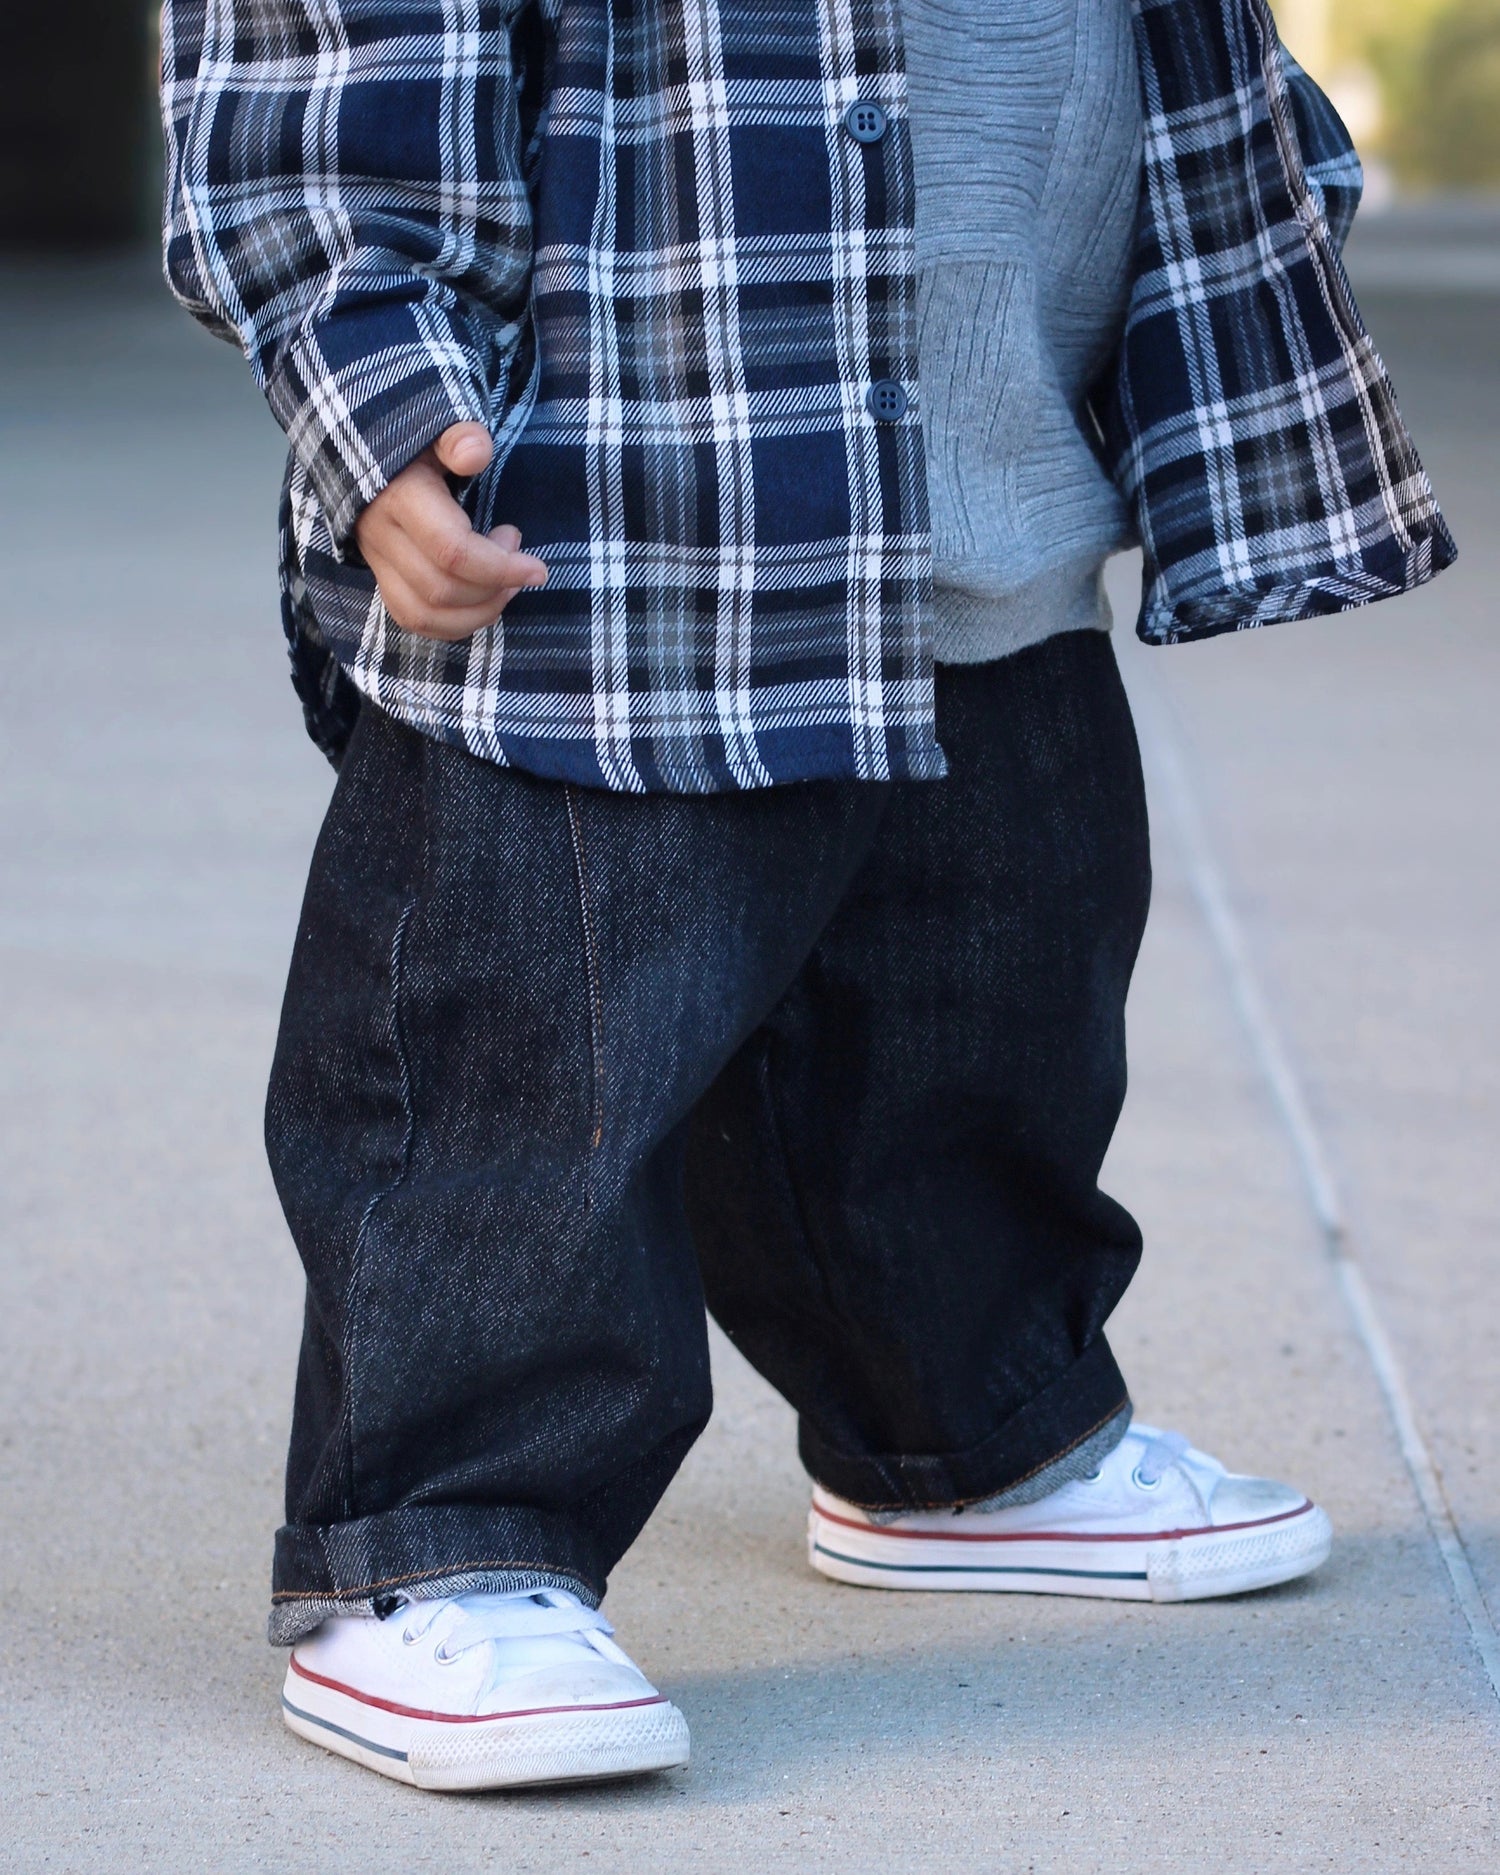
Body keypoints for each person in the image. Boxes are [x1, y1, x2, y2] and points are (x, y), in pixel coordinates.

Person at [161, 0, 1452, 1793]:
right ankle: (441, 1531)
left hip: (992, 458)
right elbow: (332, 44)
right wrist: (372, 378)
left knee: (986, 1003)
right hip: (629, 503)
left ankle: (963, 1428)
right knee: (535, 1042)